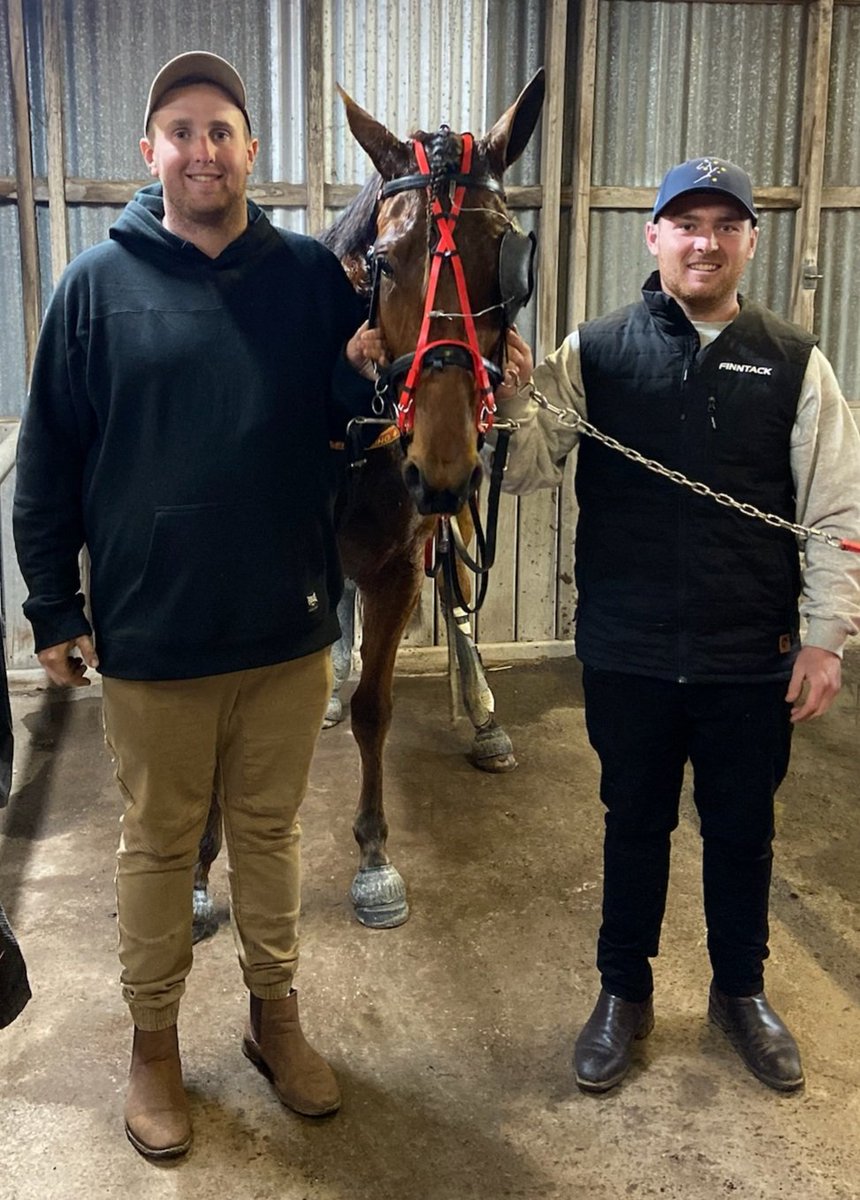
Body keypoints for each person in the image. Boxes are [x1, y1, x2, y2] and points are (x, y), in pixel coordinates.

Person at [13, 51, 377, 1159]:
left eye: (220, 129)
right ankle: (154, 1048)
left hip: (283, 626)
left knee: (268, 836)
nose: (202, 149)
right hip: (154, 633)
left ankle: (275, 1021)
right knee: (160, 846)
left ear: (250, 150)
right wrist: (52, 609)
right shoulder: (93, 286)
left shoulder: (312, 279)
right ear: (148, 152)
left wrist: (372, 379)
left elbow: (345, 431)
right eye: (180, 130)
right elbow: (50, 465)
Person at [494, 156, 860, 1094]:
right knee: (634, 824)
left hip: (752, 653)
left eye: (724, 225)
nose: (704, 241)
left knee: (742, 830)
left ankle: (741, 993)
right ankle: (625, 993)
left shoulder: (793, 359)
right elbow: (529, 469)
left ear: (748, 241)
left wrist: (825, 635)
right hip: (630, 650)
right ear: (652, 237)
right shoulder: (599, 349)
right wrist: (505, 396)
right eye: (685, 223)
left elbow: (835, 509)